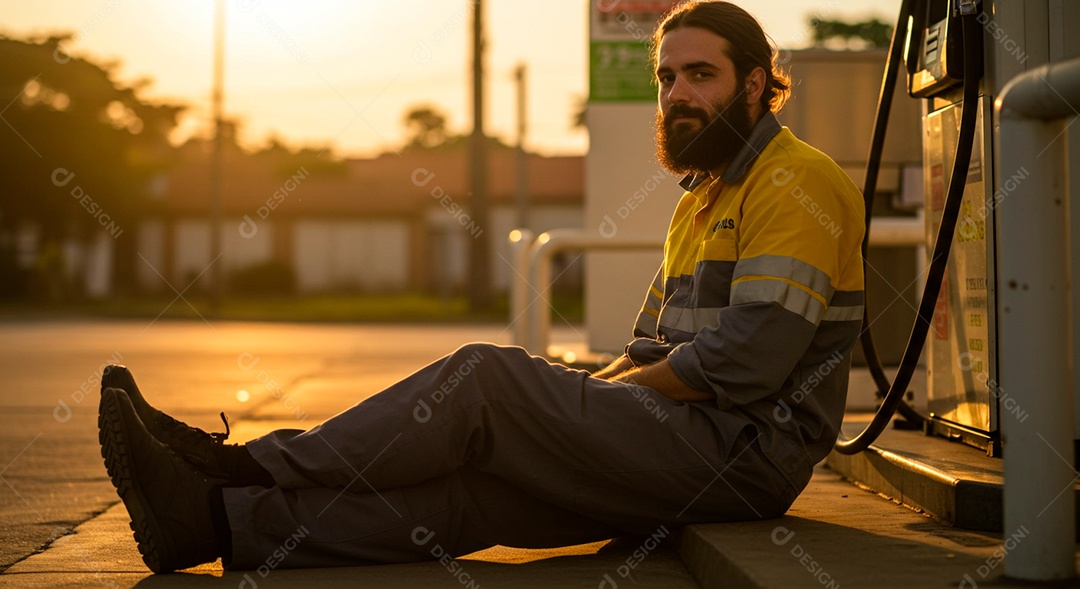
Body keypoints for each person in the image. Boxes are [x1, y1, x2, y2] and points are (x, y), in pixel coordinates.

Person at [97, 1, 864, 574]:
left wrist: (587, 404)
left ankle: (240, 463)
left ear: (758, 83)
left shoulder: (795, 181)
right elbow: (650, 347)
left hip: (744, 455)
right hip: (685, 442)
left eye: (702, 74)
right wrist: (587, 404)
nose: (678, 94)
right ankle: (213, 523)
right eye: (666, 77)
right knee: (470, 494)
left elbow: (745, 362)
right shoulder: (701, 195)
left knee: (485, 377)